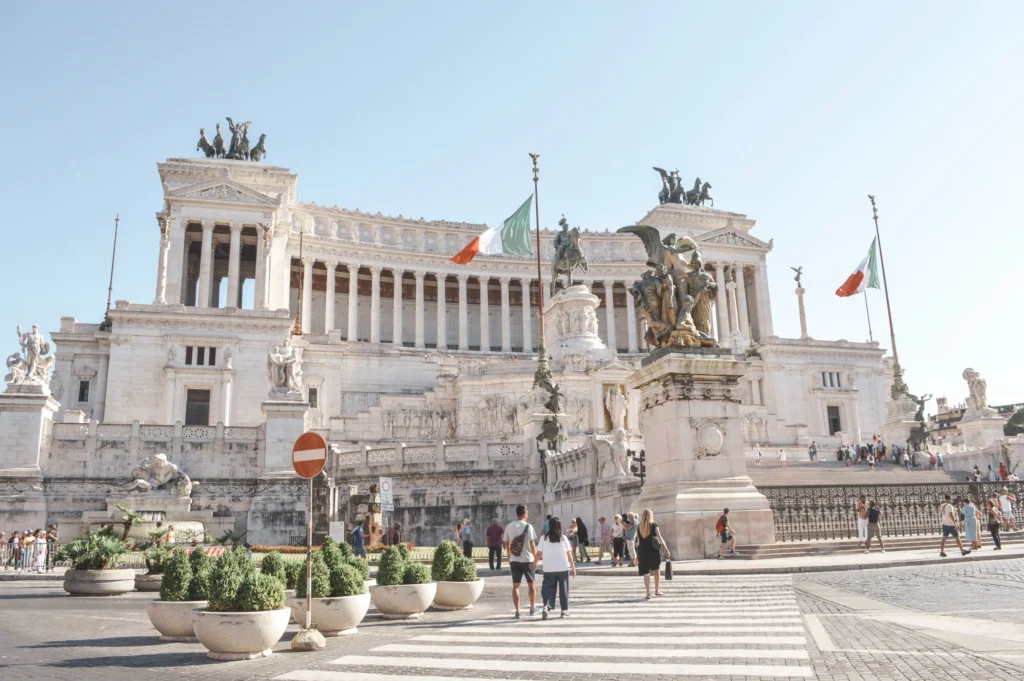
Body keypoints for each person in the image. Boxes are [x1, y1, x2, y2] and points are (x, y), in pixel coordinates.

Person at [533, 517, 576, 619]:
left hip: (549, 568)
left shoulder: (544, 538)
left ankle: (546, 606)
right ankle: (564, 610)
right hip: (563, 567)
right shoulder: (563, 538)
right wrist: (573, 568)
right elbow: (569, 554)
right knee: (563, 589)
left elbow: (539, 553)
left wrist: (534, 563)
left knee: (547, 589)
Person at [503, 504, 538, 619]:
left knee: (516, 586)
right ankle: (532, 608)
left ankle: (518, 611)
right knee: (531, 584)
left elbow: (506, 542)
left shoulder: (509, 526)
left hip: (514, 559)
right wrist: (536, 558)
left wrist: (509, 554)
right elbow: (532, 544)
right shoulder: (528, 526)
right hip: (527, 559)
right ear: (525, 514)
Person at [636, 509, 669, 599]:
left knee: (646, 572)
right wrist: (666, 549)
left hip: (642, 551)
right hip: (653, 551)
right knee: (656, 570)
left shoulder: (639, 526)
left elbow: (638, 541)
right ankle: (657, 590)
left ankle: (648, 593)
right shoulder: (653, 524)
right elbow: (660, 536)